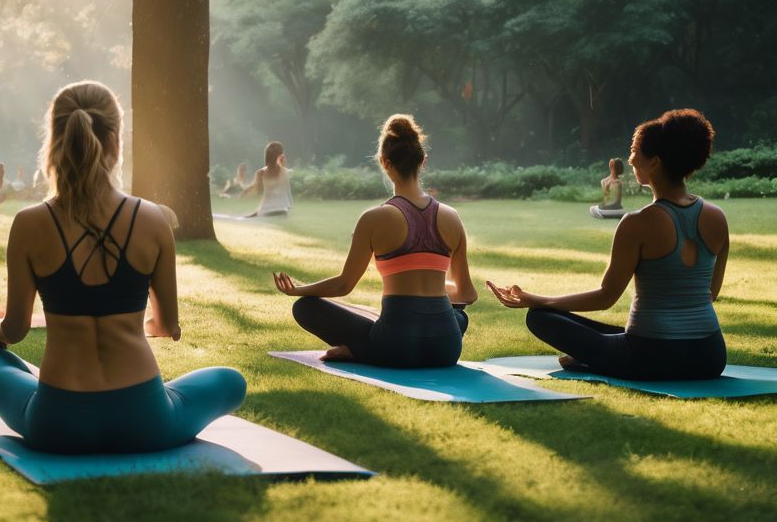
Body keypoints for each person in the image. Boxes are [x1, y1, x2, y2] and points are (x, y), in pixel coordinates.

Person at [0, 80, 246, 454]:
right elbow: (166, 327)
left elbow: (13, 331)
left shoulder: (29, 223)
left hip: (57, 424)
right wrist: (126, 324)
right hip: (145, 420)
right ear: (115, 142)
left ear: (54, 142)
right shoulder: (153, 219)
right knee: (231, 381)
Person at [488, 109, 728, 380]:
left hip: (652, 356)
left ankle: (592, 357)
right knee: (611, 332)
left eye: (635, 149)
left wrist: (538, 300)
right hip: (710, 355)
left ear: (655, 163)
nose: (630, 157)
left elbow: (606, 296)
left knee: (539, 316)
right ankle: (596, 354)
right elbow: (710, 293)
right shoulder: (716, 217)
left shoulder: (638, 223)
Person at [273, 115, 478, 368]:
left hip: (395, 345)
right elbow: (467, 293)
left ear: (384, 163)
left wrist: (298, 289)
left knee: (305, 308)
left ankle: (362, 351)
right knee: (458, 317)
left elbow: (344, 285)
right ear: (422, 161)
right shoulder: (452, 217)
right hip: (446, 348)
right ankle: (380, 345)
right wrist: (432, 287)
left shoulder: (374, 218)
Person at [243, 142, 292, 216]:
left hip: (266, 211)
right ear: (281, 156)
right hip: (282, 210)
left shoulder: (260, 173)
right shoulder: (286, 172)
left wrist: (245, 191)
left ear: (266, 156)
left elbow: (257, 191)